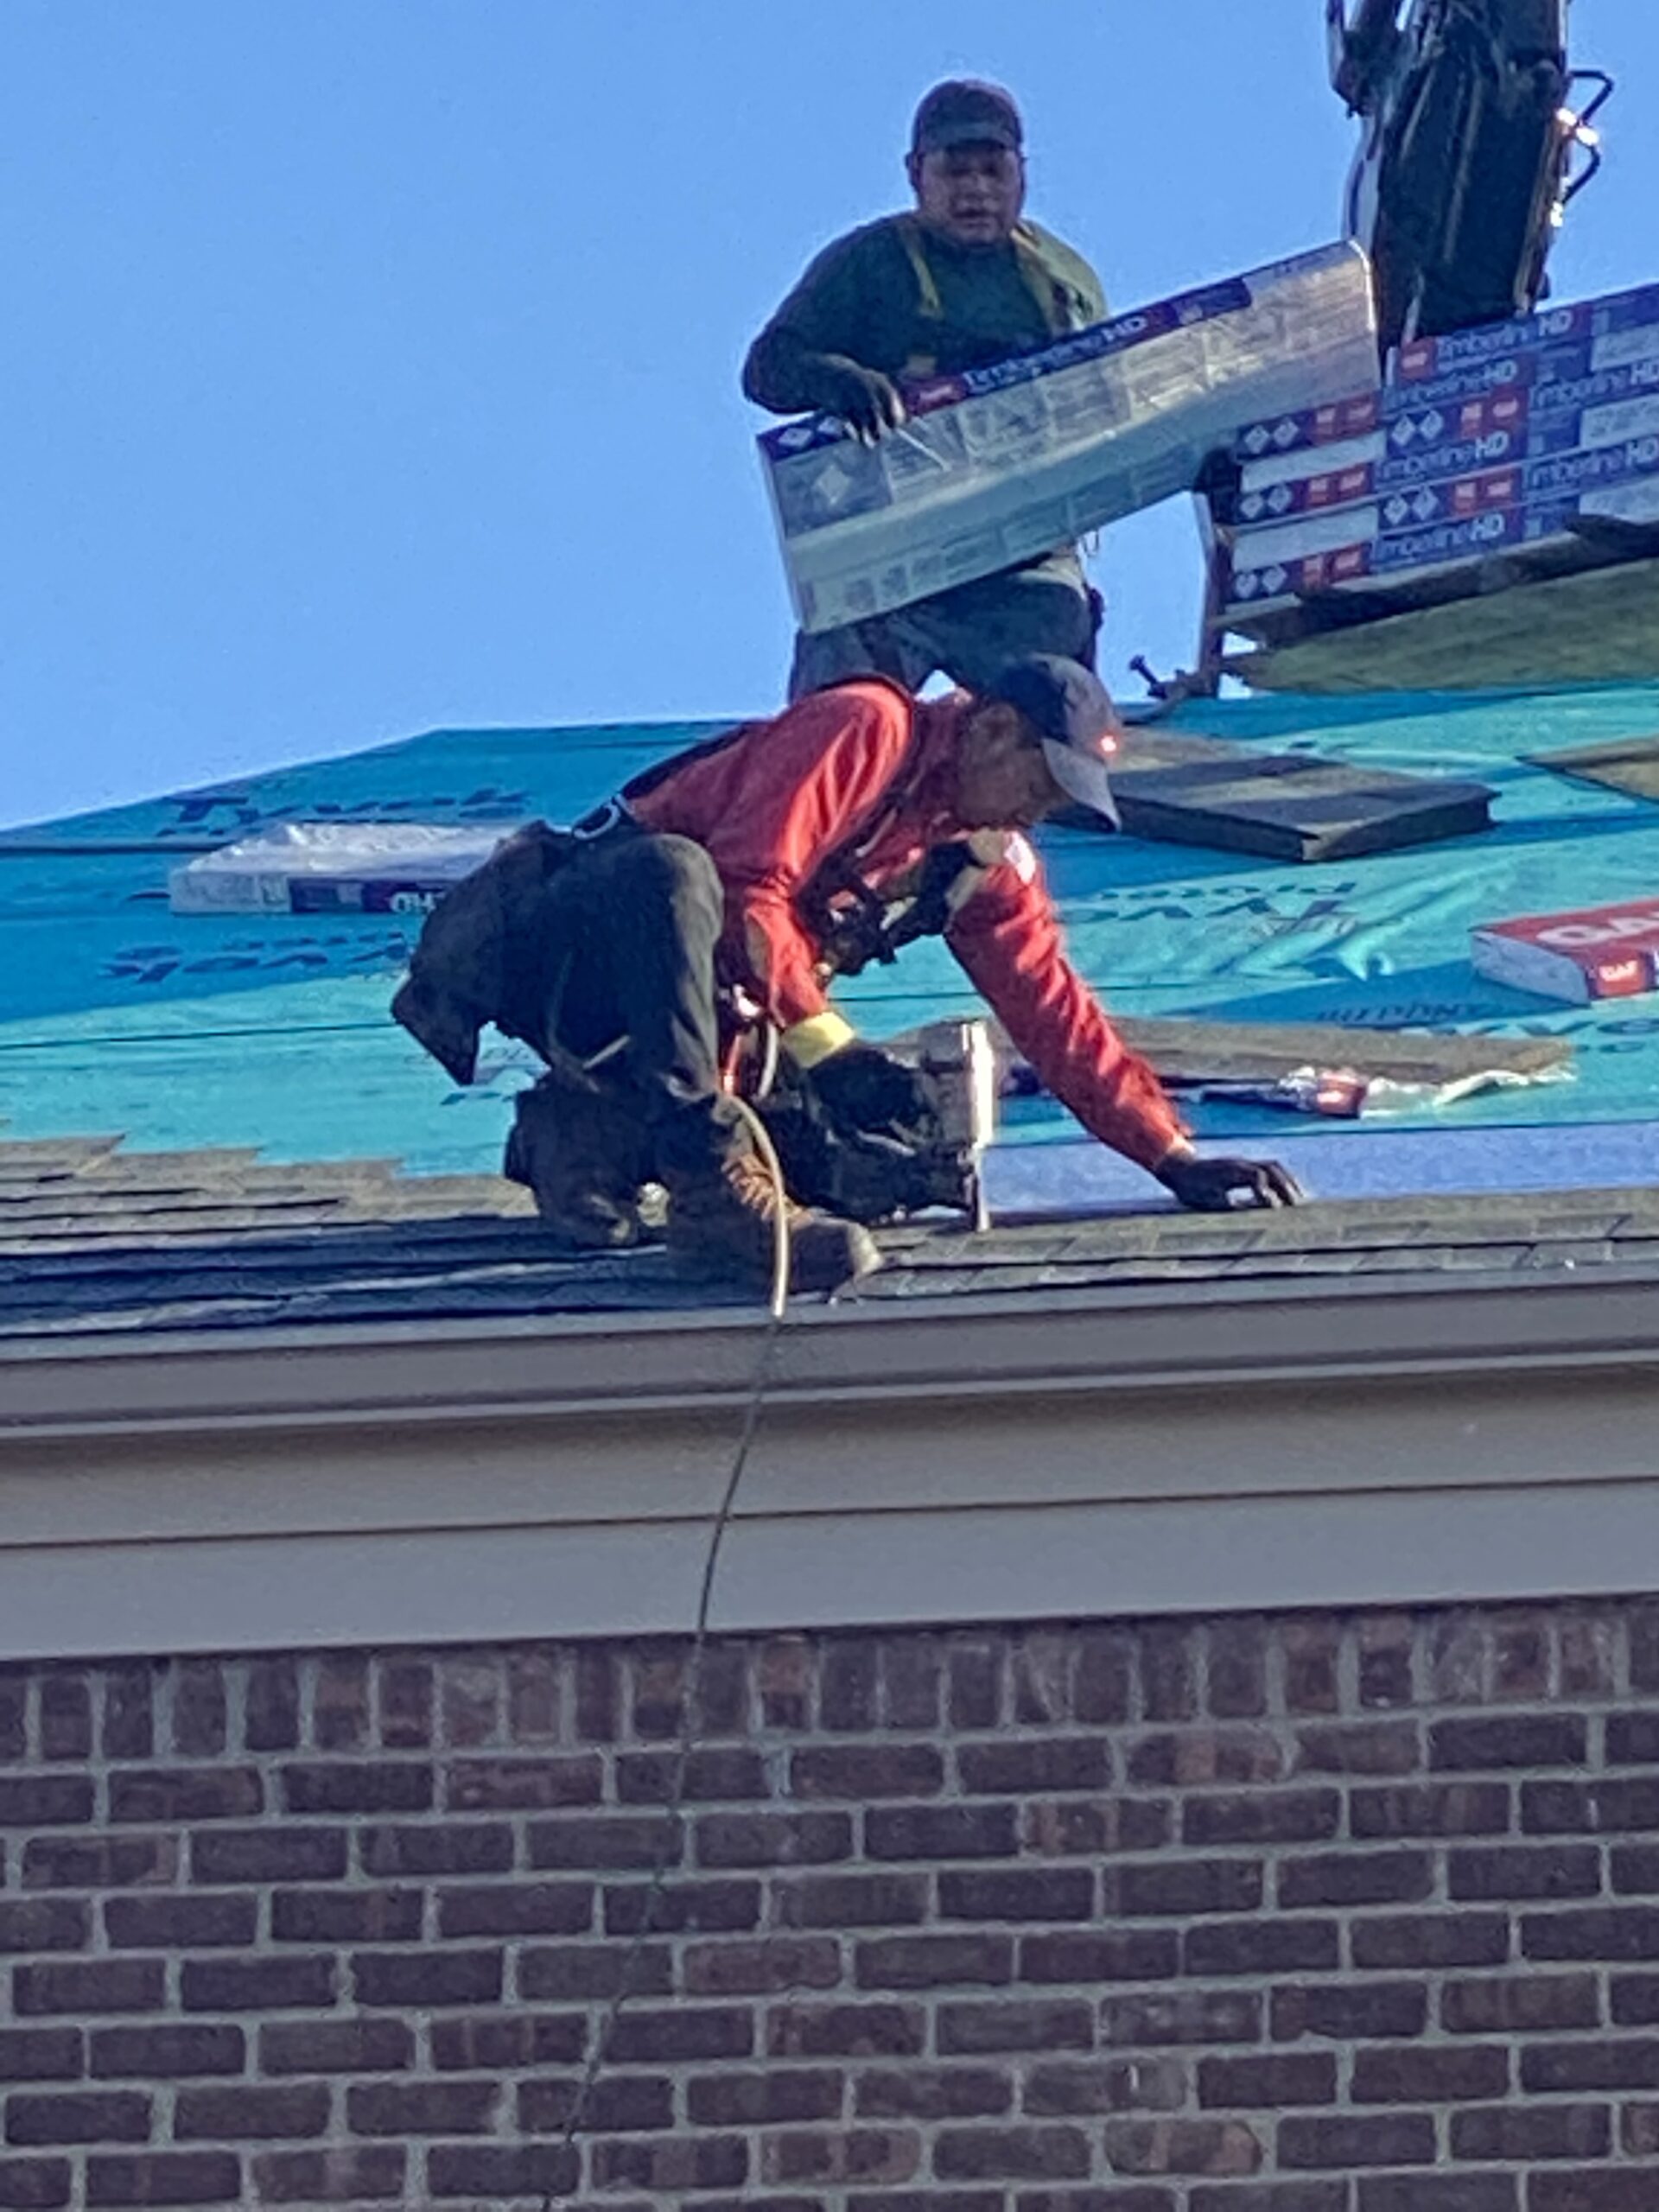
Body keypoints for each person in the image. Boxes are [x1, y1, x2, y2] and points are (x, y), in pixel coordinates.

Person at [393, 658, 1304, 1298]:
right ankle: (709, 1187)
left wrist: (1170, 1154)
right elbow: (752, 896)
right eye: (1044, 780)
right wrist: (831, 1050)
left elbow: (1055, 1016)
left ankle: (589, 1136)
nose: (1043, 810)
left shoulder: (981, 856)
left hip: (686, 1025)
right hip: (574, 958)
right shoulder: (867, 727)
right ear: (991, 728)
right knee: (671, 873)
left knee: (878, 1172)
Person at [744, 79, 1109, 701]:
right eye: (955, 171)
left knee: (1050, 718)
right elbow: (766, 370)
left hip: (1023, 574)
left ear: (1023, 175)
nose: (976, 190)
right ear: (916, 174)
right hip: (889, 567)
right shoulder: (868, 262)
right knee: (836, 719)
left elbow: (1114, 402)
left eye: (993, 171)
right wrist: (838, 377)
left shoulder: (1063, 281)